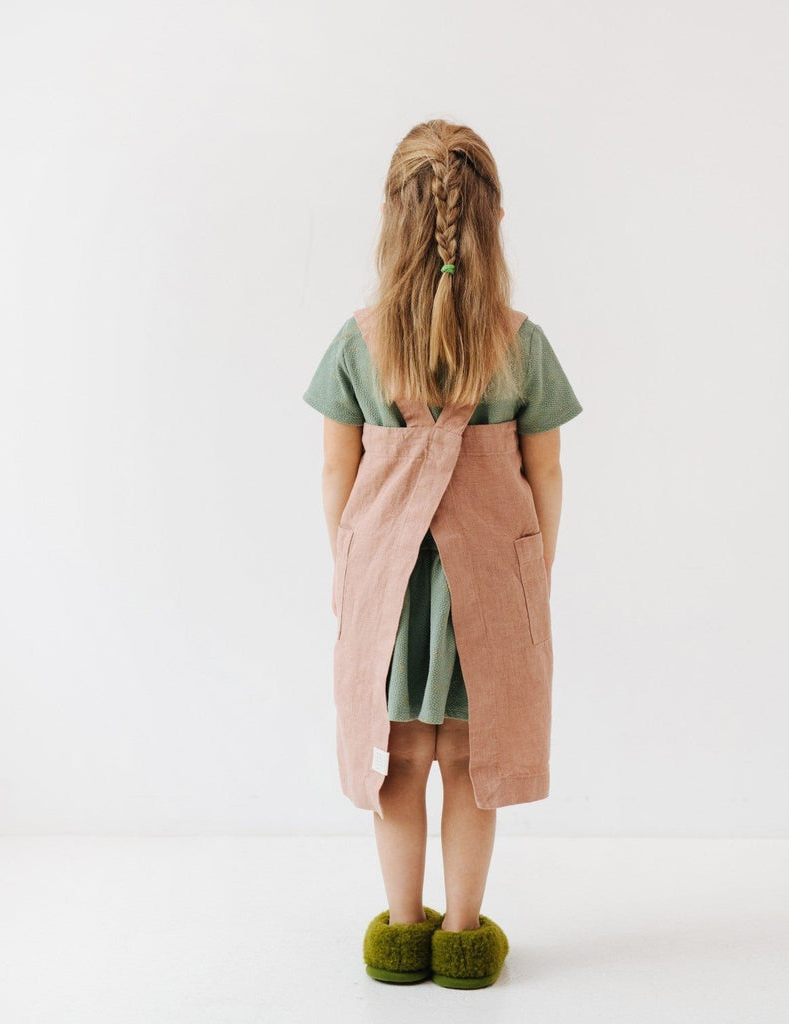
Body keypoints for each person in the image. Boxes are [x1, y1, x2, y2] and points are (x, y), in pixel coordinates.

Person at [302, 119, 582, 988]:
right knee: (471, 758)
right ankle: (463, 939)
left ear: (395, 219)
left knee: (399, 759)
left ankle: (401, 929)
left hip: (390, 589)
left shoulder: (360, 340)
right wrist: (532, 576)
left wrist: (354, 567)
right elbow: (547, 468)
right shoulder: (519, 341)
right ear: (490, 220)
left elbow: (337, 464)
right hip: (485, 586)